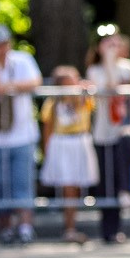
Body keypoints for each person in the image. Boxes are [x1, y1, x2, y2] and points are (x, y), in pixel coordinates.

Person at [0, 26, 42, 244]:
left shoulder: (22, 60)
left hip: (23, 134)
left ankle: (25, 225)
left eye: (5, 43)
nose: (2, 48)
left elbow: (35, 82)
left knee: (23, 182)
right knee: (0, 184)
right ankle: (5, 226)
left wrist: (9, 85)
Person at [85, 26, 130, 245]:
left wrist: (114, 60)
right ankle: (107, 228)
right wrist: (107, 60)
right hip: (103, 133)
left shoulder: (127, 68)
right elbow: (110, 86)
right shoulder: (94, 70)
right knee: (106, 184)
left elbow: (118, 85)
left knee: (121, 179)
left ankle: (119, 227)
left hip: (122, 132)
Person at [39, 65, 98, 244]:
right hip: (62, 144)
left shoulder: (82, 99)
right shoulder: (53, 103)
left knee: (76, 188)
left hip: (79, 142)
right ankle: (69, 227)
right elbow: (47, 128)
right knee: (68, 189)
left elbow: (89, 105)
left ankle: (72, 225)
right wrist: (47, 151)